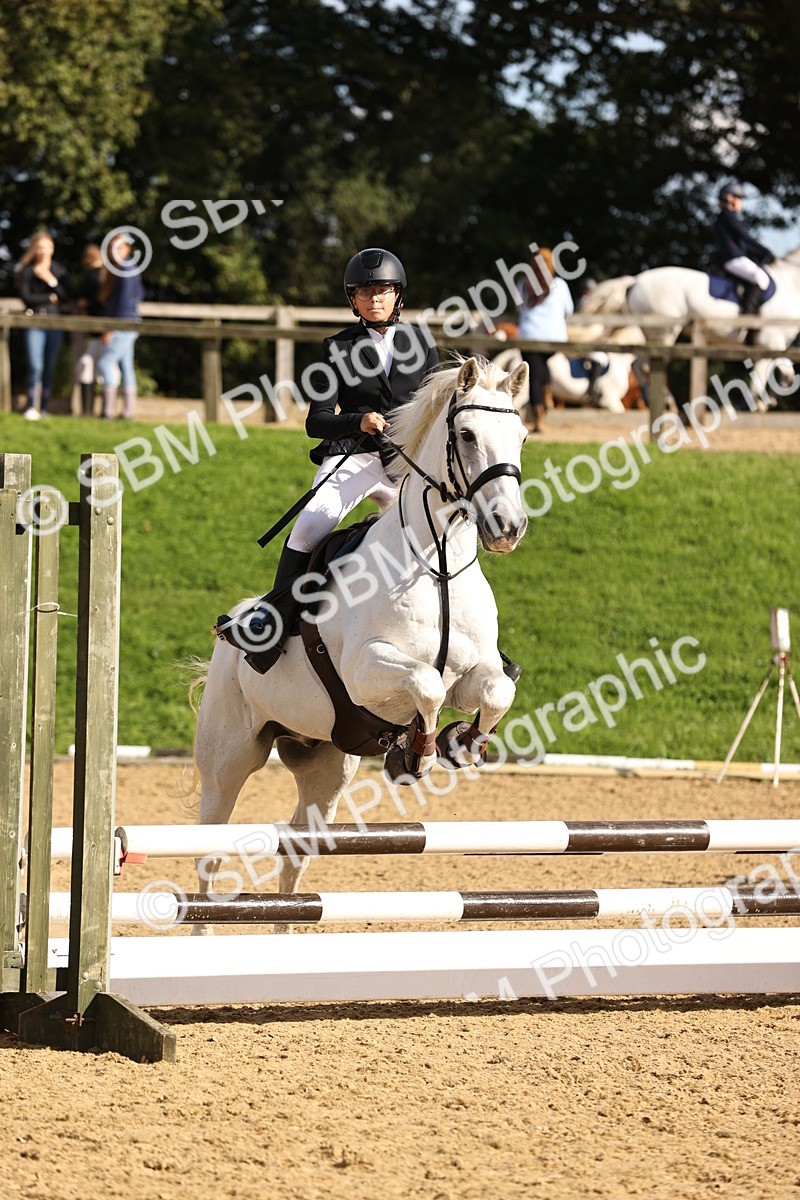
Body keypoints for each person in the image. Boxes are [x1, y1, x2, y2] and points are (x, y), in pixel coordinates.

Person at [219, 247, 440, 674]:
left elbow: (435, 409)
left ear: (398, 295)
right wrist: (359, 421)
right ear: (352, 300)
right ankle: (270, 625)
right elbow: (316, 421)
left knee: (447, 529)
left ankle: (479, 640)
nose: (374, 299)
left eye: (382, 290)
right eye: (364, 292)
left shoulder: (423, 344)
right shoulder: (338, 347)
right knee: (309, 526)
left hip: (406, 464)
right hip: (355, 458)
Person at [517, 246, 573, 431]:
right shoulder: (560, 285)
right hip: (554, 339)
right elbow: (569, 310)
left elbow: (519, 308)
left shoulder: (523, 284)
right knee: (541, 364)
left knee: (534, 375)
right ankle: (547, 388)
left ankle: (538, 418)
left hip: (529, 337)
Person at [15, 231, 70, 419]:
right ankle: (32, 405)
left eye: (47, 247)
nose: (44, 251)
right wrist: (49, 297)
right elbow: (26, 298)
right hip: (34, 322)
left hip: (54, 323)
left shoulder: (59, 271)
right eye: (40, 247)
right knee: (35, 365)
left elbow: (65, 297)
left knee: (49, 366)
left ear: (52, 249)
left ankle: (44, 407)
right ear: (34, 249)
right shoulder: (27, 271)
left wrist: (50, 280)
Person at [97, 232, 144, 419]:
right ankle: (127, 412)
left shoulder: (125, 268)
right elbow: (140, 294)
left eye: (119, 247)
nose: (114, 251)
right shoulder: (127, 267)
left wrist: (110, 327)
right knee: (126, 366)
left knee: (105, 362)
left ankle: (107, 411)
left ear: (127, 248)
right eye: (111, 248)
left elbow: (123, 302)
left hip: (123, 322)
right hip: (131, 321)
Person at [714, 182, 775, 313]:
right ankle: (747, 315)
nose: (741, 202)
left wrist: (762, 253)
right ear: (730, 198)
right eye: (739, 198)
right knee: (762, 278)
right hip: (733, 259)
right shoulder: (728, 216)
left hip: (734, 258)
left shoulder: (727, 216)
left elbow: (745, 244)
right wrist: (765, 252)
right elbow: (745, 238)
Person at [73, 243, 108, 416]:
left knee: (101, 368)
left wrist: (85, 304)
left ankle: (105, 411)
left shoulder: (97, 277)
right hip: (96, 330)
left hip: (104, 330)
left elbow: (95, 300)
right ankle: (89, 410)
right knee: (89, 366)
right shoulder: (102, 275)